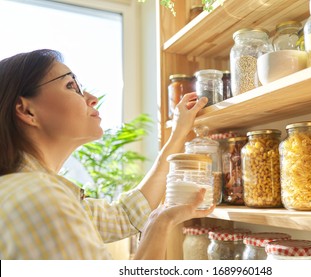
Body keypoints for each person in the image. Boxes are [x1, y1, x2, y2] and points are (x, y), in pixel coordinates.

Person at [0, 49, 214, 260]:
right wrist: (161, 224)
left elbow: (125, 216)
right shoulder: (40, 198)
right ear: (27, 110)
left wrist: (177, 133)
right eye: (71, 86)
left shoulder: (28, 190)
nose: (92, 98)